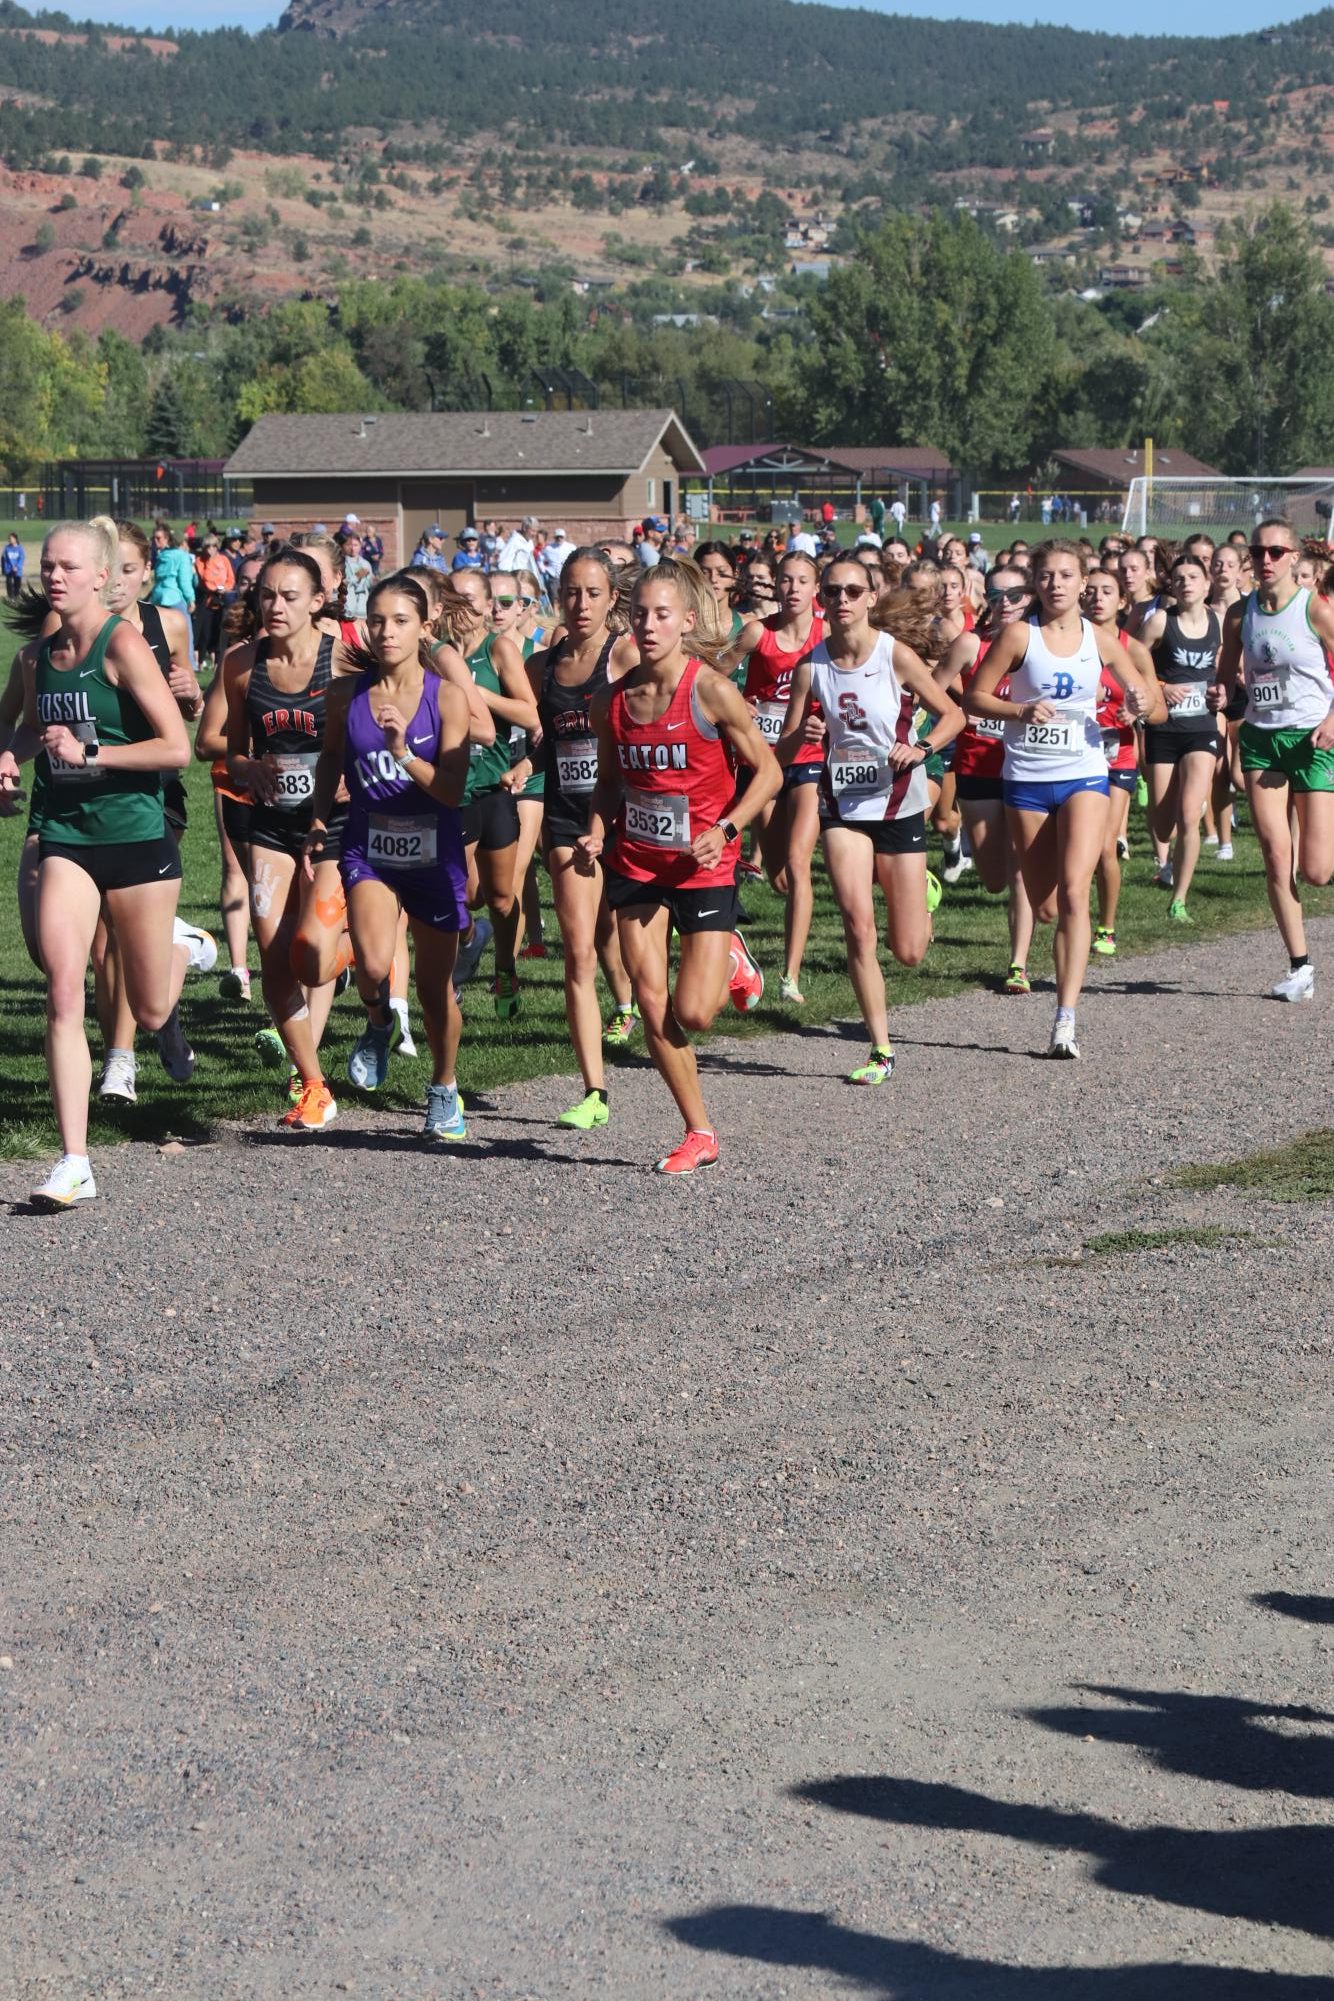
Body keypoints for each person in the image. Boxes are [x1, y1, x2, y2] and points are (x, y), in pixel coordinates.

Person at [0, 518, 207, 1208]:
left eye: (66, 566)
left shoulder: (122, 647)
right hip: (65, 835)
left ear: (99, 576)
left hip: (137, 837)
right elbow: (31, 727)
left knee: (149, 1009)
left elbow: (176, 748)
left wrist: (93, 755)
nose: (53, 575)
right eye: (46, 565)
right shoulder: (36, 658)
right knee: (65, 987)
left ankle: (184, 946)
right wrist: (11, 756)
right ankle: (75, 1159)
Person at [577, 559, 780, 1174]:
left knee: (695, 1012)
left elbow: (768, 772)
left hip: (705, 864)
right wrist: (595, 825)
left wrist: (726, 829)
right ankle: (698, 1132)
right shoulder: (611, 701)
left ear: (687, 620)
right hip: (636, 862)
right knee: (650, 998)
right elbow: (609, 781)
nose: (648, 625)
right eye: (639, 613)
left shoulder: (711, 689)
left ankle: (733, 958)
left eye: (662, 614)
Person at [967, 539, 1159, 1059]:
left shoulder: (1101, 640)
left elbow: (1152, 704)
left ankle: (1065, 1019)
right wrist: (1020, 711)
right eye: (1047, 576)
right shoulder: (1017, 637)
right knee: (1046, 905)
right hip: (1026, 779)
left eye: (1066, 575)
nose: (1056, 584)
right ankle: (1061, 1000)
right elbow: (976, 696)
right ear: (1036, 583)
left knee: (1077, 891)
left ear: (1081, 581)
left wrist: (1141, 701)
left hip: (1085, 774)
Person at [780, 561, 963, 1084]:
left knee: (908, 951)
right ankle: (880, 1050)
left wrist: (921, 746)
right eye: (833, 591)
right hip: (842, 807)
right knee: (858, 926)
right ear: (823, 598)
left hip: (899, 802)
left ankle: (923, 888)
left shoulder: (895, 655)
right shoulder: (811, 667)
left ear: (869, 597)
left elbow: (953, 715)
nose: (842, 599)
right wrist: (805, 734)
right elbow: (784, 747)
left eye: (852, 590)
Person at [306, 575, 473, 1141]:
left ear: (425, 627)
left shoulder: (446, 697)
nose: (385, 632)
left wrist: (403, 753)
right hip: (368, 844)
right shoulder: (344, 695)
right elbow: (331, 758)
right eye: (376, 620)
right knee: (374, 965)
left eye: (400, 621)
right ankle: (379, 1019)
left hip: (434, 852)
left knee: (433, 988)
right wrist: (317, 814)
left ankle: (444, 1086)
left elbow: (451, 790)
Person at [222, 545, 357, 1130]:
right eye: (266, 595)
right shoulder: (241, 664)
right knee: (275, 958)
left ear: (318, 601)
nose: (274, 606)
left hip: (335, 821)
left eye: (289, 596)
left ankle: (352, 948)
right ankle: (314, 1086)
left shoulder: (347, 661)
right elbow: (216, 744)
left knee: (312, 955)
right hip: (271, 825)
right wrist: (246, 768)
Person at [527, 548, 640, 1128]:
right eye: (571, 592)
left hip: (631, 818)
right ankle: (595, 1090)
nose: (581, 604)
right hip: (567, 820)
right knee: (579, 954)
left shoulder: (624, 654)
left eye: (593, 593)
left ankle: (722, 950)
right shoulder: (539, 668)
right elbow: (543, 738)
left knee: (640, 955)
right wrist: (526, 763)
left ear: (611, 598)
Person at [92, 521, 204, 1099]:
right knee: (102, 939)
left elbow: (188, 717)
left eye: (129, 570)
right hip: (87, 795)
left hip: (155, 794)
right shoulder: (73, 631)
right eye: (108, 569)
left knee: (118, 928)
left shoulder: (169, 625)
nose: (116, 583)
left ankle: (121, 1057)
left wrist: (191, 694)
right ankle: (157, 1005)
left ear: (146, 575)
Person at [1212, 518, 1334, 1001]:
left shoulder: (1315, 610)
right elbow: (1225, 672)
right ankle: (1299, 966)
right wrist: (1219, 693)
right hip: (1262, 739)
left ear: (1294, 560)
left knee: (1317, 871)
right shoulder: (1240, 615)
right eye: (1259, 551)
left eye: (1276, 553)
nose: (1266, 560)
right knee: (1274, 854)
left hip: (1312, 741)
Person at [727, 551, 826, 1002]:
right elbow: (709, 672)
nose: (792, 588)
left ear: (815, 587)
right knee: (778, 874)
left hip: (809, 756)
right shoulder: (756, 634)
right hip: (763, 762)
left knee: (800, 864)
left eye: (802, 581)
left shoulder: (829, 635)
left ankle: (790, 975)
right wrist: (736, 701)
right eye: (785, 580)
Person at [937, 564, 1038, 992]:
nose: (1007, 603)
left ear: (1030, 598)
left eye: (1016, 595)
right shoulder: (969, 644)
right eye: (998, 595)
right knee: (994, 876)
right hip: (977, 766)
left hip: (1030, 766)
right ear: (985, 600)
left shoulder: (1046, 646)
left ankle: (1018, 964)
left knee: (1021, 868)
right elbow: (932, 688)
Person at [448, 567, 540, 1015]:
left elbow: (529, 712)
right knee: (463, 894)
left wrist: (477, 696)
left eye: (471, 600)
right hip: (451, 788)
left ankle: (504, 970)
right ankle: (466, 945)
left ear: (487, 606)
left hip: (493, 786)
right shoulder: (435, 654)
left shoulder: (497, 649)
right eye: (453, 598)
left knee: (500, 896)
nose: (461, 609)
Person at [1137, 555, 1223, 923]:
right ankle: (1170, 843)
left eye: (1193, 576)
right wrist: (1162, 686)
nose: (1186, 582)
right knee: (1162, 824)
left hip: (1202, 728)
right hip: (1164, 729)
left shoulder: (1219, 622)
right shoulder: (1160, 621)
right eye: (1179, 578)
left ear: (1206, 584)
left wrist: (1223, 692)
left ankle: (1179, 899)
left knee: (1189, 815)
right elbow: (1131, 664)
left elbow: (1226, 669)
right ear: (1171, 585)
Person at [1082, 566, 1154, 961]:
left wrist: (1137, 708)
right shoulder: (1061, 642)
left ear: (1122, 601)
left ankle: (1106, 925)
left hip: (1116, 756)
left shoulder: (1133, 649)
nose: (1097, 597)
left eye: (1106, 590)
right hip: (1070, 753)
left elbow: (1156, 710)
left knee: (1104, 846)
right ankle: (1070, 913)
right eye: (1090, 590)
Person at [149, 523, 196, 622]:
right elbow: (184, 581)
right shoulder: (182, 556)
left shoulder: (161, 556)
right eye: (154, 538)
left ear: (167, 539)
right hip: (174, 599)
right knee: (186, 635)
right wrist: (190, 599)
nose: (155, 541)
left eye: (158, 538)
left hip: (157, 599)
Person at [3, 532, 24, 603]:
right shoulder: (6, 548)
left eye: (11, 538)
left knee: (17, 584)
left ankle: (16, 597)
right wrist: (5, 568)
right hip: (9, 569)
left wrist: (17, 567)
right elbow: (4, 559)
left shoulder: (20, 548)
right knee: (8, 583)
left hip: (17, 570)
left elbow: (21, 558)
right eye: (9, 539)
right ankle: (10, 597)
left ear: (15, 539)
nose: (10, 540)